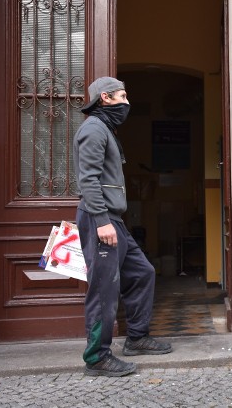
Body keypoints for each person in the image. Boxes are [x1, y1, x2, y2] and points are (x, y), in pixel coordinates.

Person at [73, 76, 172, 377]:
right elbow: (87, 179)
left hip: (113, 219)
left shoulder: (105, 129)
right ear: (106, 98)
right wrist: (102, 221)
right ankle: (97, 358)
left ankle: (137, 338)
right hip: (99, 218)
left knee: (142, 272)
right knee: (104, 290)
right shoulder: (93, 129)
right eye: (122, 96)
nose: (127, 103)